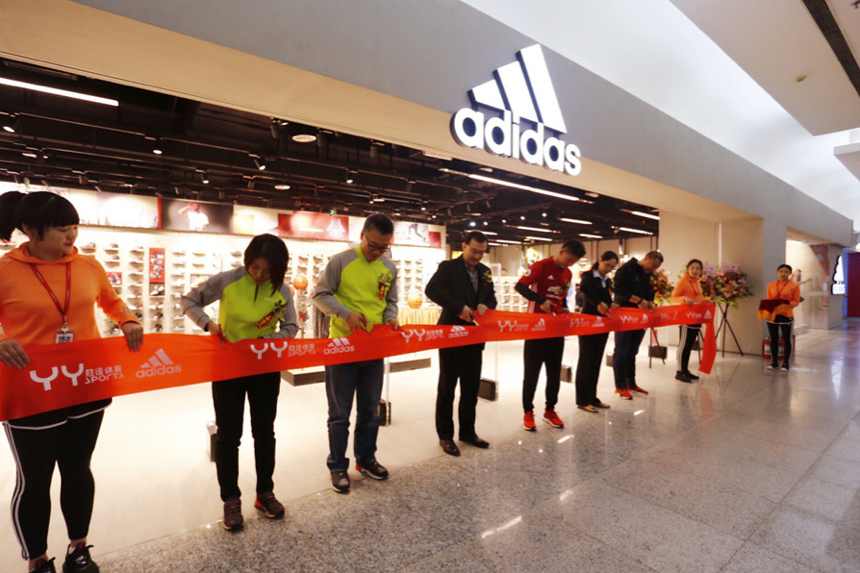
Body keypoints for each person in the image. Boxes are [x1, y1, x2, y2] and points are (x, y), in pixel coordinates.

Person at [0, 191, 143, 573]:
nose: (71, 236)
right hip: (32, 390)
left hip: (85, 383)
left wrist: (128, 319)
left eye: (74, 227)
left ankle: (78, 549)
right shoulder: (5, 269)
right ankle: (37, 560)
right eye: (62, 229)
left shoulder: (88, 265)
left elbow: (112, 301)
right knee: (35, 480)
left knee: (78, 468)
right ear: (30, 230)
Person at [182, 234, 298, 530]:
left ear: (279, 269)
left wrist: (265, 341)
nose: (259, 275)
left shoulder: (283, 290)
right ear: (247, 262)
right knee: (229, 436)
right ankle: (230, 500)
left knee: (264, 432)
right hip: (228, 367)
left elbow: (291, 327)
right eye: (255, 267)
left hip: (265, 368)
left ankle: (265, 493)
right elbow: (189, 300)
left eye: (268, 270)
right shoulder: (227, 280)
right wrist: (208, 324)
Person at [313, 214, 399, 493]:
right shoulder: (341, 262)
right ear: (363, 235)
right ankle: (337, 465)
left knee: (370, 410)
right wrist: (345, 313)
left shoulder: (389, 267)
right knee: (339, 413)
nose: (376, 252)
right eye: (373, 245)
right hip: (342, 347)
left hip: (374, 347)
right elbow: (319, 295)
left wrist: (391, 318)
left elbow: (391, 301)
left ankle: (366, 458)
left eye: (383, 247)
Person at [425, 231, 497, 456]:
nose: (477, 256)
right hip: (451, 335)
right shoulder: (448, 267)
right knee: (447, 387)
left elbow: (492, 297)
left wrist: (486, 304)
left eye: (481, 252)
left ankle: (468, 431)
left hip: (475, 338)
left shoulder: (485, 272)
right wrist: (458, 308)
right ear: (464, 246)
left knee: (470, 387)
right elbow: (432, 290)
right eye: (474, 251)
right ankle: (445, 436)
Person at [514, 240, 586, 430]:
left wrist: (565, 309)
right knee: (531, 374)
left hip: (556, 331)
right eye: (568, 259)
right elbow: (520, 286)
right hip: (536, 329)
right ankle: (528, 412)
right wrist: (540, 300)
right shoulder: (541, 266)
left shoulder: (568, 273)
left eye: (573, 262)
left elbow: (560, 298)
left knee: (554, 374)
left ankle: (550, 409)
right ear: (562, 251)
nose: (569, 265)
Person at [612, 251, 663, 399]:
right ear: (646, 258)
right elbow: (617, 289)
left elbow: (650, 291)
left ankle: (630, 382)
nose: (652, 270)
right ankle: (620, 385)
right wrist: (638, 301)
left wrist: (650, 301)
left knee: (632, 350)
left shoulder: (647, 274)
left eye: (655, 269)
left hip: (641, 318)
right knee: (621, 351)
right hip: (625, 317)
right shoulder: (626, 269)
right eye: (652, 266)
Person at [575, 251, 618, 412]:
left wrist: (610, 303)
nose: (608, 269)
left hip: (602, 325)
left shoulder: (607, 280)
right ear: (600, 260)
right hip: (588, 323)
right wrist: (599, 302)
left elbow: (606, 298)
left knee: (596, 361)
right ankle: (582, 399)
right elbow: (585, 290)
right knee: (585, 361)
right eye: (607, 265)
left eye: (612, 267)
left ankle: (592, 397)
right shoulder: (588, 276)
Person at [671, 259, 705, 383]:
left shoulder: (697, 282)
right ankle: (679, 371)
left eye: (697, 268)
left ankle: (685, 370)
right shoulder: (683, 282)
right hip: (685, 317)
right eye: (692, 268)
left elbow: (698, 298)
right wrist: (683, 298)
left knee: (690, 344)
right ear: (688, 269)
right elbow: (673, 298)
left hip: (696, 316)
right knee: (684, 344)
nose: (695, 271)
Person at [765, 264, 800, 371]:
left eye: (786, 272)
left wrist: (787, 303)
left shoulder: (794, 286)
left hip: (786, 314)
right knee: (773, 338)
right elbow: (769, 299)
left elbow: (796, 301)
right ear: (777, 272)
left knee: (786, 339)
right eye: (781, 271)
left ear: (790, 274)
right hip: (773, 315)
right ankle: (774, 361)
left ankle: (785, 363)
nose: (783, 274)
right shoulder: (770, 285)